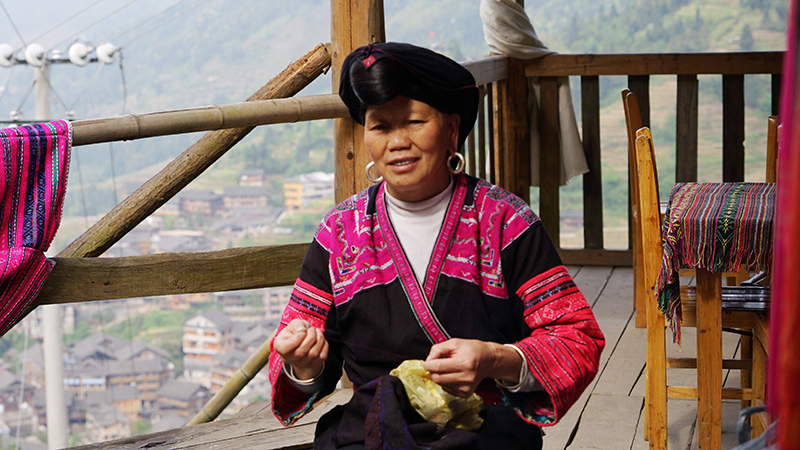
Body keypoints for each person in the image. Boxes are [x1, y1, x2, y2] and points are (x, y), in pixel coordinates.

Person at [268, 42, 604, 450]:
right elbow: (295, 356)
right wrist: (301, 365)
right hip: (372, 428)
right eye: (380, 127)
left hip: (484, 430)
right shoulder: (340, 232)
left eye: (414, 121)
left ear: (451, 129)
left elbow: (576, 339)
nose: (397, 142)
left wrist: (495, 358)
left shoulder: (505, 222)